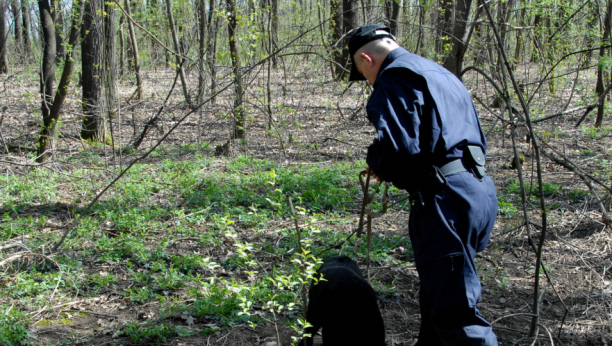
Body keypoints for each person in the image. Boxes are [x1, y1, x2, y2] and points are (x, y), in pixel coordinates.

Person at [348, 24, 499, 346]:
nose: (367, 82)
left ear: (366, 59)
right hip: (478, 188)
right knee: (439, 296)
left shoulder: (395, 77)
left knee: (455, 312)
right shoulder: (438, 72)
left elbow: (399, 149)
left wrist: (377, 162)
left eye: (362, 74)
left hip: (447, 197)